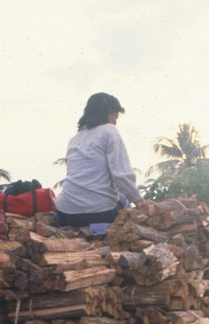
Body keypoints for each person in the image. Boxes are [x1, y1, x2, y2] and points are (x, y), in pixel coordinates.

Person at [53, 92, 147, 228]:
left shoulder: (75, 139)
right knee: (124, 200)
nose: (115, 121)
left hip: (66, 213)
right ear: (109, 113)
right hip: (100, 214)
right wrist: (138, 200)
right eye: (115, 116)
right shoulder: (109, 131)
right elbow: (121, 175)